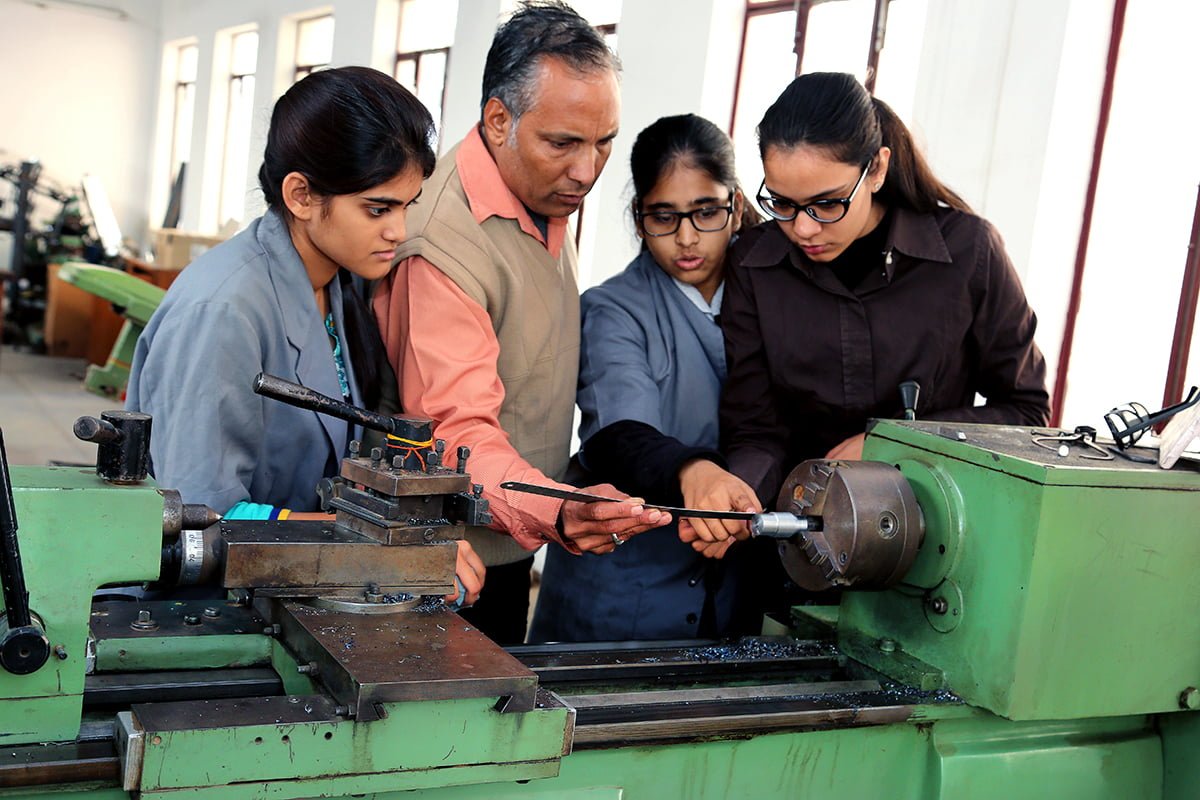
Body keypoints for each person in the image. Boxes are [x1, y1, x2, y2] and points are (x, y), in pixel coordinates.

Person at [126, 67, 484, 607]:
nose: (399, 231)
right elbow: (199, 516)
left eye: (407, 205)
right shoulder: (222, 312)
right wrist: (379, 542)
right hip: (202, 608)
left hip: (282, 588)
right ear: (300, 195)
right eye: (378, 209)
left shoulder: (336, 282)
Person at [373, 1, 668, 645]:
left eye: (604, 142)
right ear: (499, 119)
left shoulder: (544, 193)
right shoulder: (442, 242)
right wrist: (558, 509)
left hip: (514, 537)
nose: (587, 171)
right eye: (562, 143)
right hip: (446, 567)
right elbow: (452, 434)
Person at [687, 72, 1050, 560]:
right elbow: (757, 429)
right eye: (783, 204)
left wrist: (895, 444)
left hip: (933, 546)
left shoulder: (969, 253)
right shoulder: (755, 264)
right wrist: (740, 500)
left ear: (876, 169)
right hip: (800, 546)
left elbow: (1026, 412)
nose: (803, 229)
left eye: (827, 203)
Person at [529, 114, 765, 642]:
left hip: (728, 592)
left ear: (735, 206)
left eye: (706, 212)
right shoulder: (614, 309)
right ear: (639, 219)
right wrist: (694, 471)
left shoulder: (769, 298)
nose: (687, 238)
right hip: (619, 596)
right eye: (664, 217)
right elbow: (620, 435)